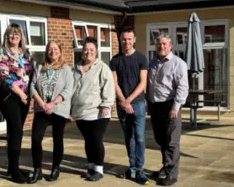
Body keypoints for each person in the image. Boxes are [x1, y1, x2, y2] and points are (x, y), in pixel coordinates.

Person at [28, 41, 74, 183]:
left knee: (57, 138)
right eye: (50, 49)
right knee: (36, 138)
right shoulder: (39, 67)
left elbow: (68, 89)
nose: (52, 51)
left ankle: (55, 168)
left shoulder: (66, 69)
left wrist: (53, 103)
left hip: (58, 108)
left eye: (55, 49)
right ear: (46, 52)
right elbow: (32, 86)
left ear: (60, 51)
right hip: (41, 109)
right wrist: (42, 104)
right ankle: (37, 170)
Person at [71, 37, 116, 182]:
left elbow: (109, 88)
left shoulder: (103, 68)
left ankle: (99, 169)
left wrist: (105, 105)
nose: (88, 52)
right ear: (81, 51)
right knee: (88, 140)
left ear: (96, 52)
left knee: (96, 139)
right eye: (85, 49)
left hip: (98, 111)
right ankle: (91, 166)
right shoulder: (75, 69)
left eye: (91, 50)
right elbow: (71, 90)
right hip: (80, 112)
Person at [147, 34, 189, 186]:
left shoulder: (178, 63)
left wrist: (176, 107)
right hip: (155, 107)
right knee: (161, 140)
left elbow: (183, 88)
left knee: (172, 142)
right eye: (159, 44)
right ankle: (165, 167)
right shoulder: (152, 63)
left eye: (164, 44)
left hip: (170, 107)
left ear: (170, 46)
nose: (161, 46)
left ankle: (172, 173)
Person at [110, 27, 149, 185]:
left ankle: (140, 170)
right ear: (120, 40)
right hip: (122, 104)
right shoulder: (115, 60)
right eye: (123, 39)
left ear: (134, 40)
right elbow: (114, 83)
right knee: (128, 137)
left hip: (138, 103)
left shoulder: (141, 58)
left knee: (139, 137)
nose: (126, 42)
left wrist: (129, 100)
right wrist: (122, 100)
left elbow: (143, 83)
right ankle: (132, 168)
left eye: (129, 39)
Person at [0, 23, 34, 184]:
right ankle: (14, 172)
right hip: (9, 96)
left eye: (17, 33)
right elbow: (5, 76)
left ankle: (13, 168)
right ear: (6, 36)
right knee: (17, 132)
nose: (14, 36)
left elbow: (31, 73)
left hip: (24, 97)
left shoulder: (25, 53)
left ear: (21, 36)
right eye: (11, 34)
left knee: (14, 133)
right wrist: (21, 94)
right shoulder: (2, 52)